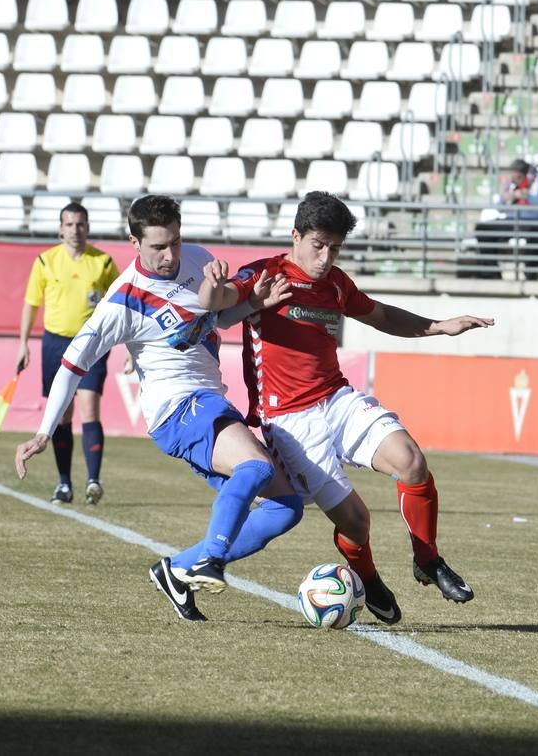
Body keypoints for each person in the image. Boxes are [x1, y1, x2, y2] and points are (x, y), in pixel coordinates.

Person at [201, 192, 494, 624]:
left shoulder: (336, 282)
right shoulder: (265, 274)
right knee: (356, 522)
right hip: (289, 421)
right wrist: (217, 286)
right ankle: (370, 580)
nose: (325, 257)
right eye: (318, 245)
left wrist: (438, 327)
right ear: (295, 236)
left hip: (336, 398)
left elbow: (382, 316)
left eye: (334, 248)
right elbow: (220, 302)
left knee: (411, 461)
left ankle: (428, 560)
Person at [14, 196, 304, 623]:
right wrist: (43, 430)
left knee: (285, 507)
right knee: (256, 469)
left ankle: (178, 569)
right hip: (177, 408)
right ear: (134, 242)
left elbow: (216, 318)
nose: (170, 256)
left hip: (209, 400)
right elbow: (70, 366)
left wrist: (254, 304)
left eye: (175, 242)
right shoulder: (121, 303)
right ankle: (211, 562)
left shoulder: (197, 259)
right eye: (158, 248)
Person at [18, 203, 119, 507]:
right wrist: (23, 343)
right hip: (55, 343)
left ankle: (93, 481)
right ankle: (64, 484)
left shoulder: (102, 263)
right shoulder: (45, 261)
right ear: (60, 228)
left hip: (91, 343)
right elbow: (31, 304)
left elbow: (120, 304)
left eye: (80, 224)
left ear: (87, 227)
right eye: (69, 224)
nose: (75, 230)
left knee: (89, 406)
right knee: (62, 413)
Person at [468, 160, 538, 281]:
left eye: (518, 176)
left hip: (537, 220)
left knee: (536, 235)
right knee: (483, 229)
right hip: (513, 219)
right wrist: (507, 198)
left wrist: (527, 196)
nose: (515, 179)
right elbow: (500, 206)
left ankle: (531, 275)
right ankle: (490, 273)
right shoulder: (513, 184)